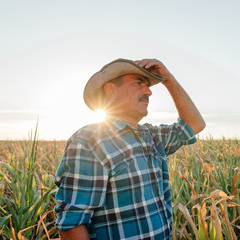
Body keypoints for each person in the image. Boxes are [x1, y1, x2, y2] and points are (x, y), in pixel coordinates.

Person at [54, 58, 206, 240]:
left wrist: (169, 79)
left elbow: (194, 124)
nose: (148, 92)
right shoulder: (91, 141)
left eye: (148, 85)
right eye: (138, 83)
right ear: (110, 90)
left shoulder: (151, 135)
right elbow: (72, 224)